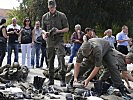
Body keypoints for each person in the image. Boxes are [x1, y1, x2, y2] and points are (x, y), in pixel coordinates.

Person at [42, 0, 69, 86]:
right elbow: (42, 29)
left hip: (59, 40)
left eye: (53, 8)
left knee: (61, 58)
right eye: (50, 8)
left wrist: (59, 31)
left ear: (55, 6)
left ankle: (63, 79)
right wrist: (44, 33)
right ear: (48, 7)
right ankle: (51, 79)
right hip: (50, 40)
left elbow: (67, 28)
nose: (51, 9)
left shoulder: (61, 15)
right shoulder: (45, 17)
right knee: (50, 60)